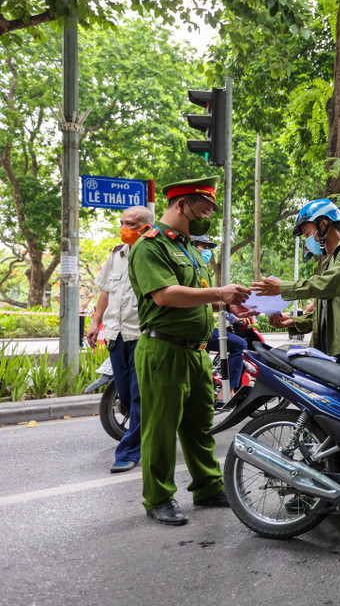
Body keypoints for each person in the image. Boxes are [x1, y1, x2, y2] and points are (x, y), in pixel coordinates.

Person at [128, 177, 250, 526]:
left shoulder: (188, 247)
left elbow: (195, 299)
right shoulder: (150, 246)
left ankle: (207, 486)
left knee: (199, 425)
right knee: (161, 427)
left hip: (196, 352)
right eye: (205, 208)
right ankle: (159, 497)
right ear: (181, 205)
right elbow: (165, 295)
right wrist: (218, 293)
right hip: (163, 349)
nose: (208, 214)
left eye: (212, 209)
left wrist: (227, 307)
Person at [251, 198, 340, 373]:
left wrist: (284, 287)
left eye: (307, 234)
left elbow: (331, 286)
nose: (308, 241)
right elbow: (329, 313)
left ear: (323, 225)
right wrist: (293, 322)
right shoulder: (332, 260)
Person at [85, 205, 154, 473]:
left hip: (142, 334)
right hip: (116, 334)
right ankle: (146, 433)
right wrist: (95, 322)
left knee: (138, 397)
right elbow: (105, 292)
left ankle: (128, 452)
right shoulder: (116, 255)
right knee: (124, 395)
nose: (125, 228)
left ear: (146, 228)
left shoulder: (154, 254)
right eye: (123, 222)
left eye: (132, 223)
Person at [193, 235, 247, 398]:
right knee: (239, 344)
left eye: (208, 248)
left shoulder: (200, 270)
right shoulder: (190, 270)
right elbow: (199, 300)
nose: (206, 251)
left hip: (203, 327)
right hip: (195, 330)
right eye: (203, 246)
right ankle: (227, 389)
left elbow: (208, 303)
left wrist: (232, 309)